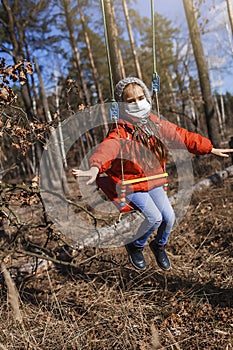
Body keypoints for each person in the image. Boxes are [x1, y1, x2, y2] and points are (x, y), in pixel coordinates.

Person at [72, 77, 233, 271]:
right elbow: (108, 148)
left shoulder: (155, 125)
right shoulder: (121, 132)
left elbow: (181, 136)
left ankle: (158, 245)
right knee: (154, 217)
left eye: (140, 97)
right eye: (131, 101)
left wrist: (209, 148)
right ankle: (135, 246)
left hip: (153, 181)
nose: (137, 103)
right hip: (132, 184)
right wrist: (95, 167)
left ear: (147, 97)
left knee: (169, 217)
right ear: (122, 105)